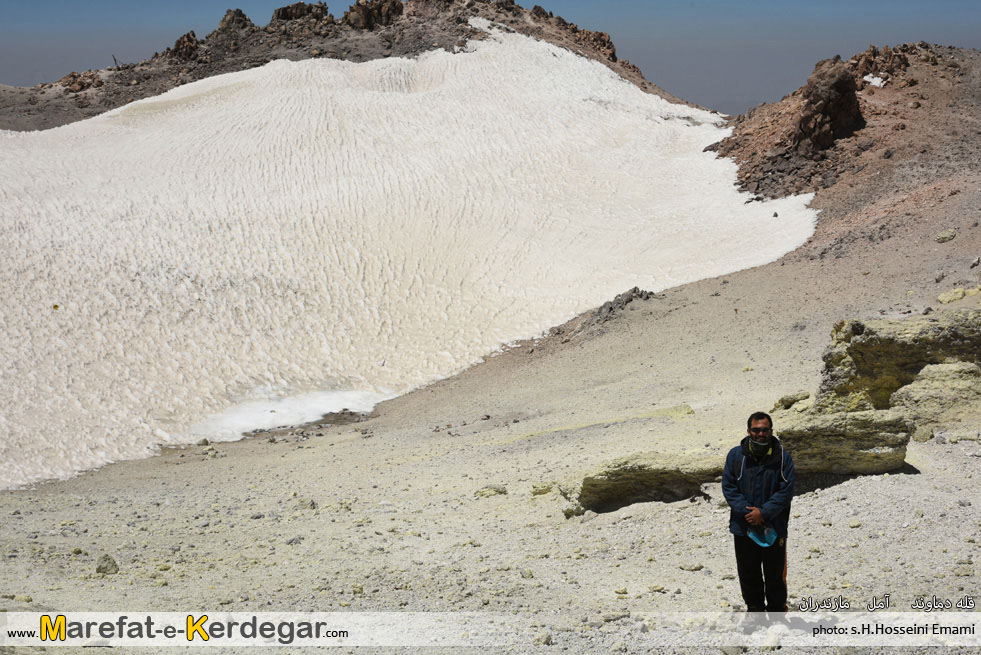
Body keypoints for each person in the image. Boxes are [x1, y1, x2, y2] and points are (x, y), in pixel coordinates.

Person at [722, 411, 795, 613]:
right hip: (743, 526)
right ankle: (754, 610)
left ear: (771, 431)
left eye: (765, 430)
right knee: (748, 572)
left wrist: (763, 513)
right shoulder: (736, 456)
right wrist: (749, 513)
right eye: (756, 430)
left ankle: (777, 612)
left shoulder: (783, 458)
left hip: (774, 526)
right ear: (748, 431)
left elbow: (786, 490)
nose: (760, 434)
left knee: (775, 573)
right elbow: (729, 488)